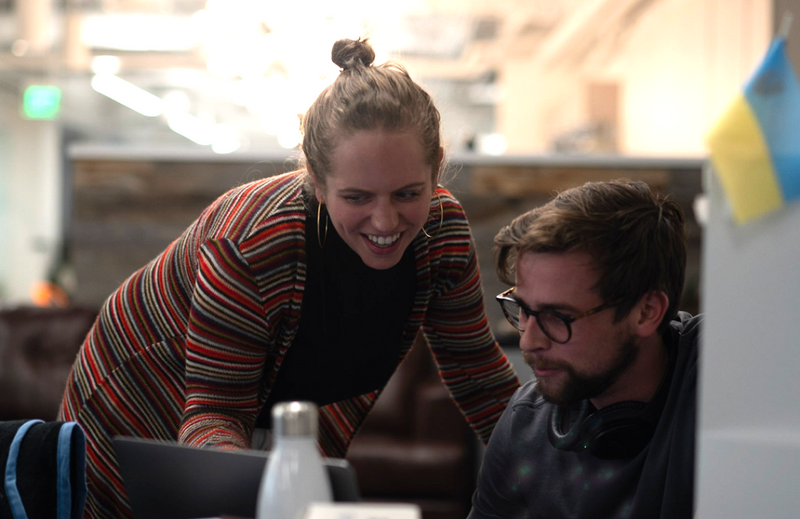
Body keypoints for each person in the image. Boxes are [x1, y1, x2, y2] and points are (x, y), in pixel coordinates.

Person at [60, 38, 521, 519]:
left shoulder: (442, 230)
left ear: (437, 168)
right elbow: (215, 414)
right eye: (357, 197)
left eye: (408, 193)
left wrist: (550, 465)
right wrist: (243, 493)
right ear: (317, 182)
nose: (385, 222)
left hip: (269, 410)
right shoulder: (251, 243)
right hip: (136, 398)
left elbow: (478, 374)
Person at [468, 179, 701, 519]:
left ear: (647, 312)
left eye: (558, 316)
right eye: (524, 309)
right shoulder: (524, 427)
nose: (529, 342)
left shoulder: (721, 384)